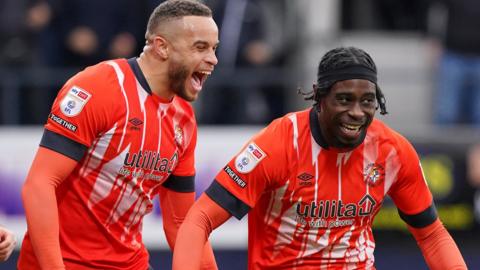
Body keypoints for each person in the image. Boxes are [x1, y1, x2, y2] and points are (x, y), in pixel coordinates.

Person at [172, 46, 467, 269]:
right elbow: (198, 221)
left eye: (368, 101)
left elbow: (432, 235)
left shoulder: (393, 151)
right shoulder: (277, 143)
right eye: (344, 99)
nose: (357, 112)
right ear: (319, 97)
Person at [18, 0, 219, 269]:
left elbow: (181, 222)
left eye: (214, 48)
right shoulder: (98, 87)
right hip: (64, 263)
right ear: (161, 46)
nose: (213, 59)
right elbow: (39, 185)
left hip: (130, 262)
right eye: (200, 47)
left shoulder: (183, 118)